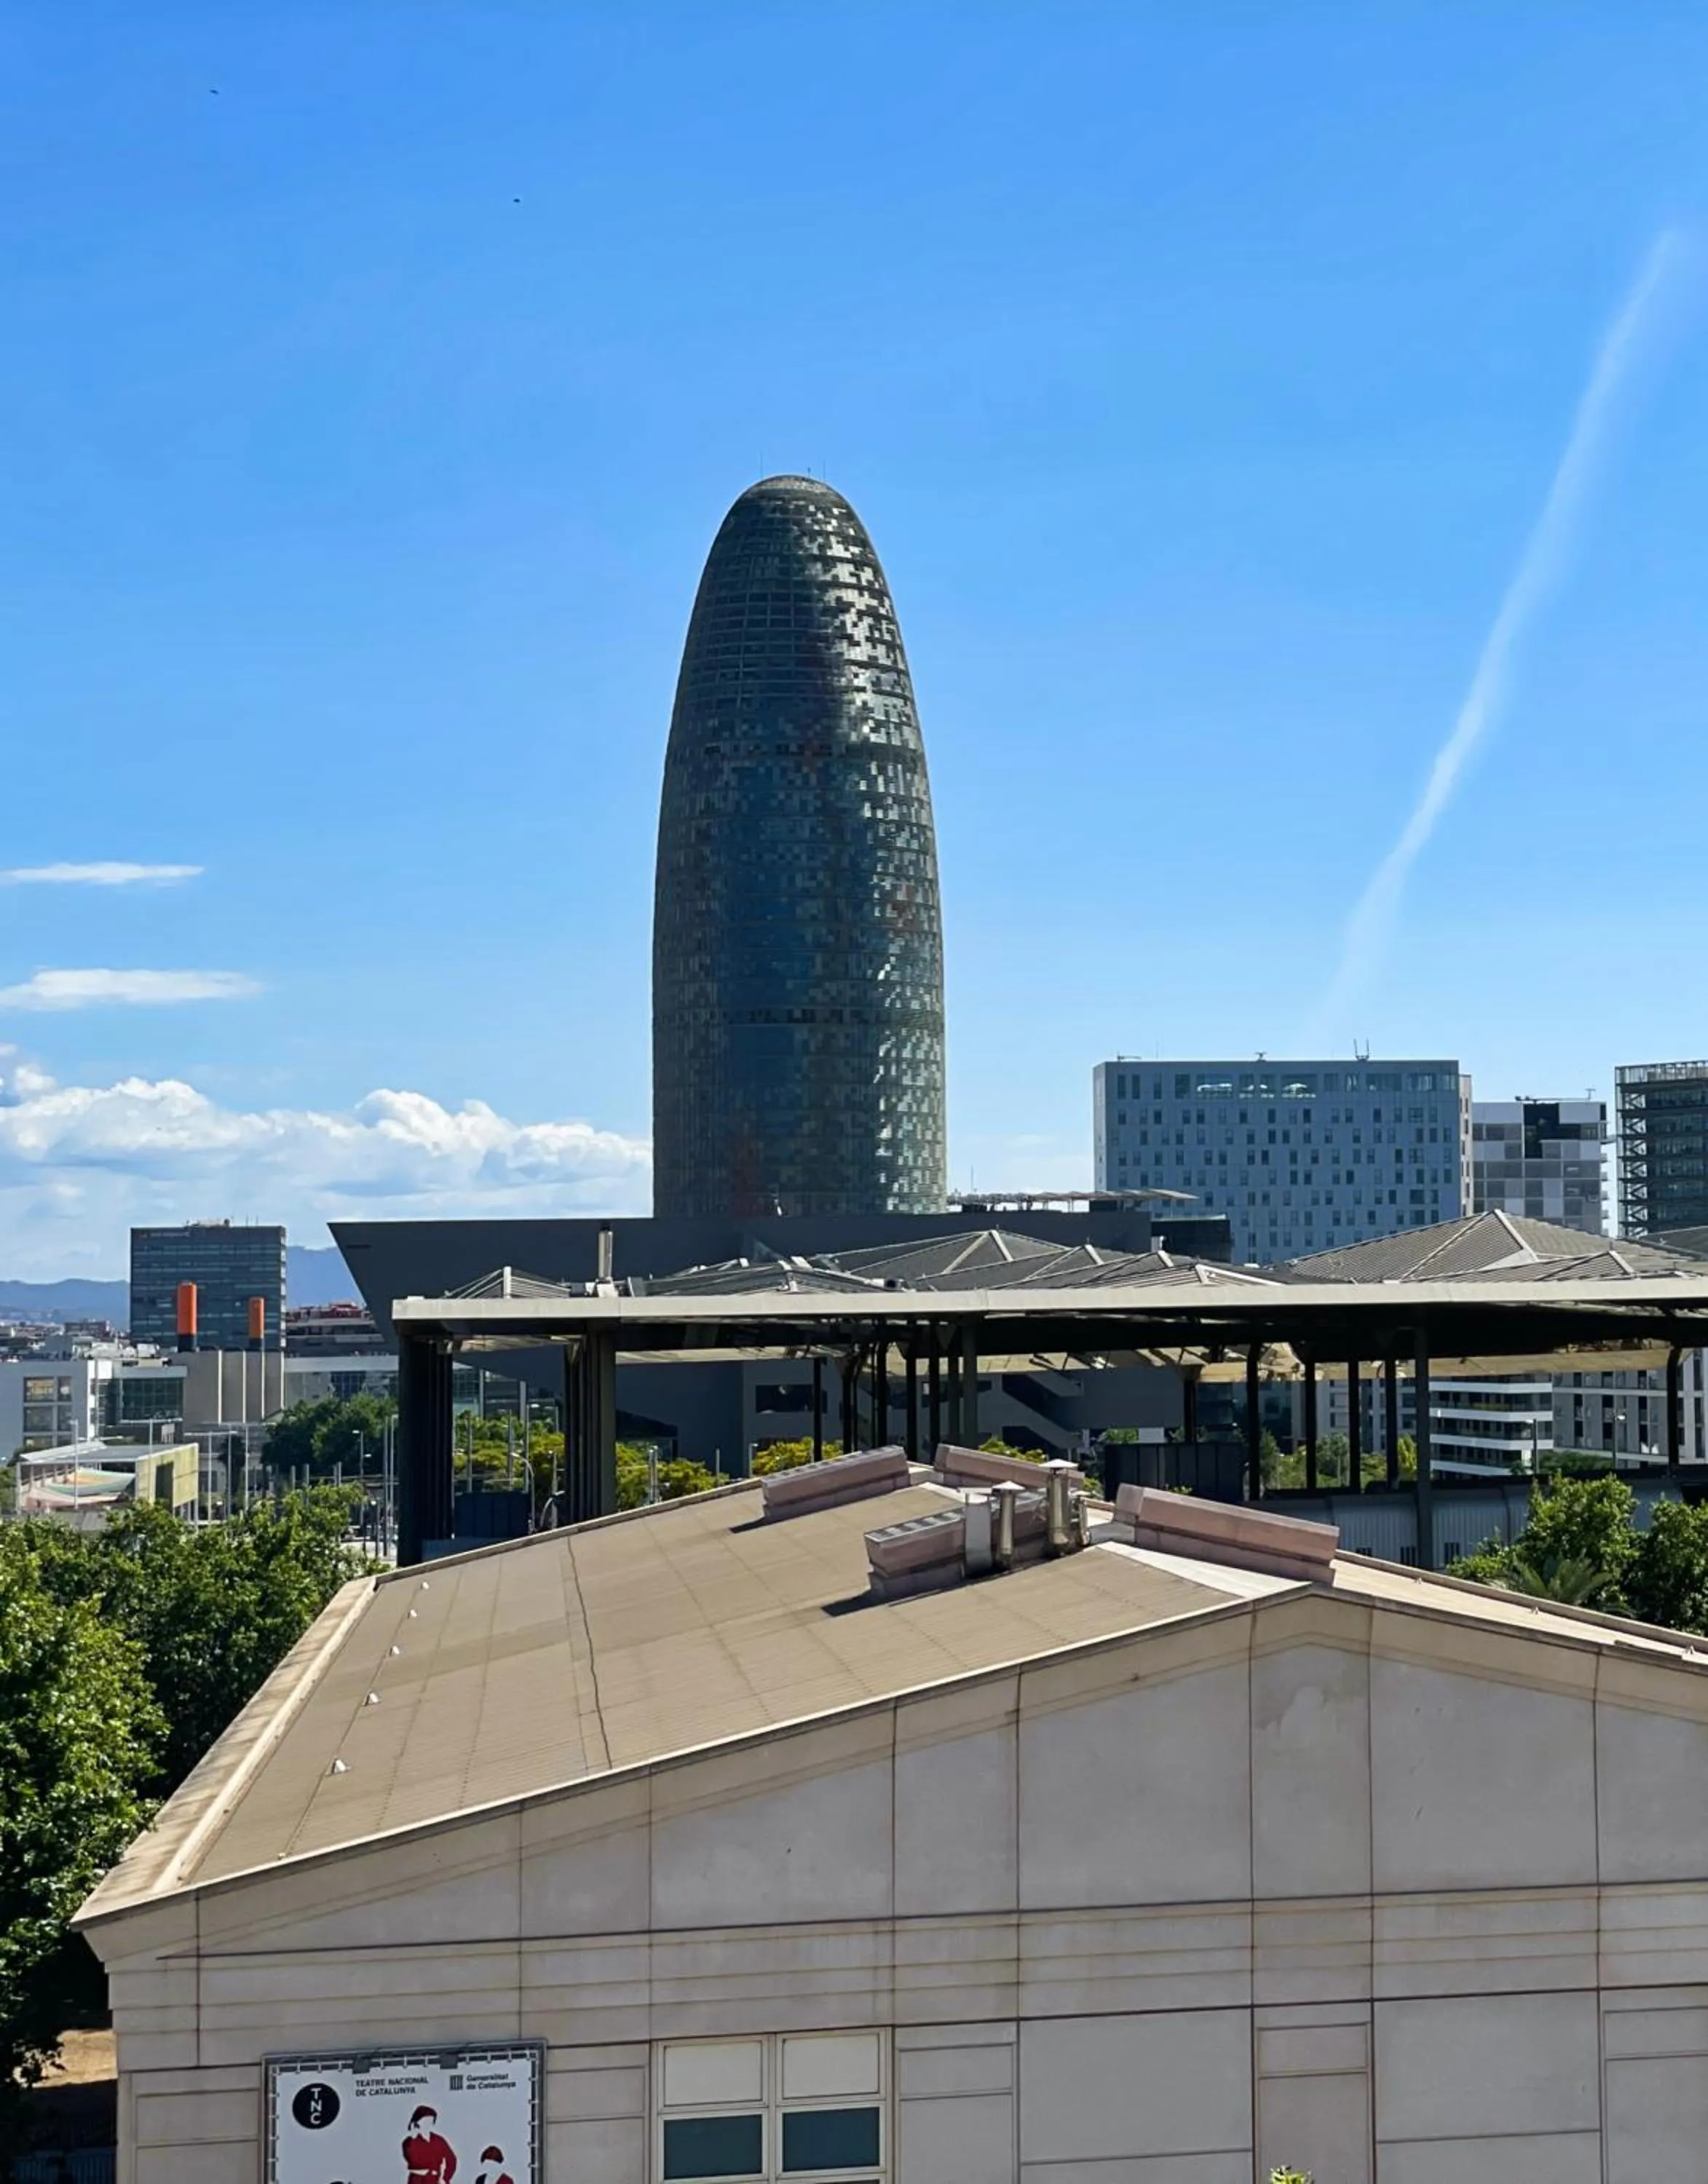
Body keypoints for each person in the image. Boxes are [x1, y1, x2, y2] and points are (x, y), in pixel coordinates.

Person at [403, 2103, 458, 2183]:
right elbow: (413, 2160)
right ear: (418, 2122)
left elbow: (452, 2159)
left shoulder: (439, 2140)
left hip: (436, 2180)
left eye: (431, 2121)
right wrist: (414, 2137)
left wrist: (445, 2178)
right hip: (417, 2180)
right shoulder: (409, 2142)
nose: (428, 2125)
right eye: (425, 2121)